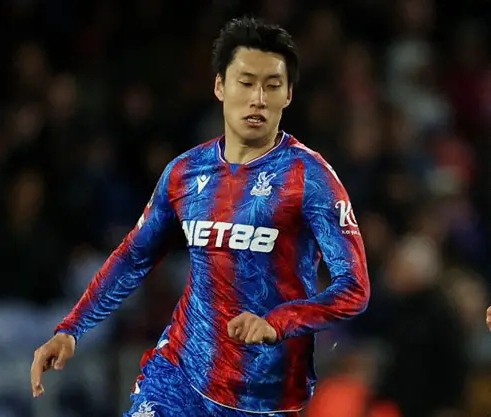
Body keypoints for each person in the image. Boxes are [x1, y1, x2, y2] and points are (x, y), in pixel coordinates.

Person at [30, 16, 370, 416]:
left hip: (263, 397)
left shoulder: (309, 177)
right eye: (246, 82)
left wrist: (277, 322)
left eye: (272, 85)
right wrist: (71, 329)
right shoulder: (185, 172)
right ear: (220, 86)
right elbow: (134, 257)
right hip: (178, 375)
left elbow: (354, 289)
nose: (258, 98)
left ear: (288, 94)